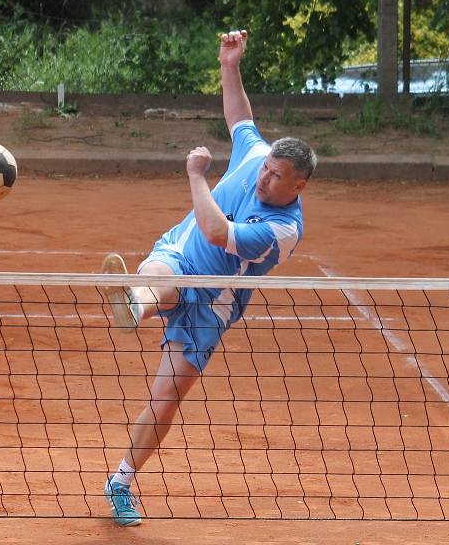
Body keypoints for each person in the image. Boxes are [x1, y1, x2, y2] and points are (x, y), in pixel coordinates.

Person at [100, 29, 317, 526]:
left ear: (297, 185)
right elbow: (240, 118)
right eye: (265, 168)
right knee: (163, 277)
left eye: (275, 176)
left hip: (216, 302)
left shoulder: (284, 229)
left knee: (166, 400)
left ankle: (120, 481)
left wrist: (197, 175)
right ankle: (135, 302)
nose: (263, 177)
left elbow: (219, 233)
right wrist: (229, 64)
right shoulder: (256, 154)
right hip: (179, 257)